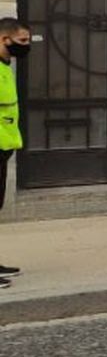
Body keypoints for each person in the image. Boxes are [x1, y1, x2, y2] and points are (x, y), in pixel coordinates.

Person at [0, 18, 32, 290]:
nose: (26, 46)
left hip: (4, 145)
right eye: (22, 41)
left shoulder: (5, 66)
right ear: (4, 39)